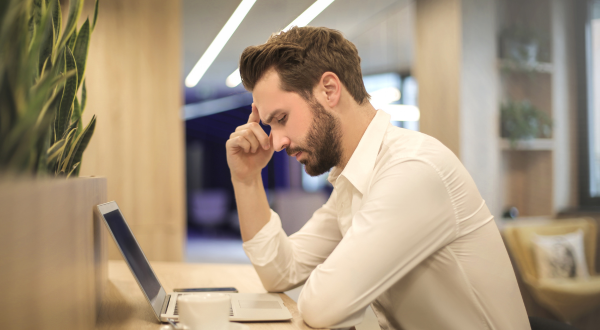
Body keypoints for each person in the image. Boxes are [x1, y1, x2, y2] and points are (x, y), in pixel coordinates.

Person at [225, 26, 530, 330]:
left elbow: (323, 307)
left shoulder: (412, 169)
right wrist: (247, 179)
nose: (276, 142)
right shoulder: (353, 178)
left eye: (281, 119)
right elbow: (281, 272)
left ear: (329, 90)